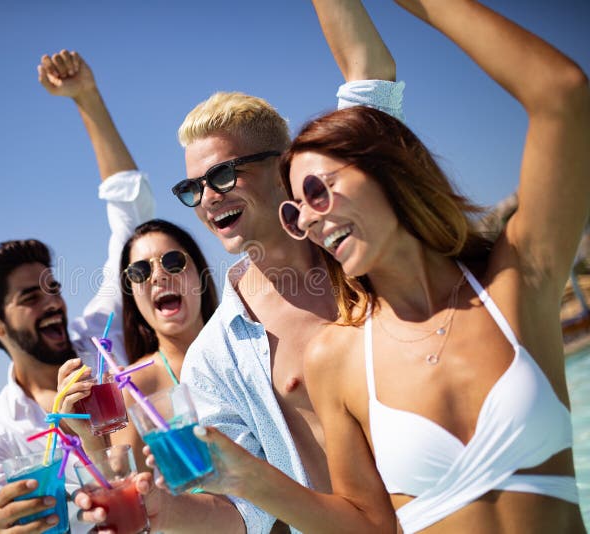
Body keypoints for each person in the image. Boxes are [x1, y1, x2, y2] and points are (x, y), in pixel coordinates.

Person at [191, 0, 589, 532]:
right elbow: (369, 527)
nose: (308, 219)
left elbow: (562, 94)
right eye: (297, 211)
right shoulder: (336, 356)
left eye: (316, 191)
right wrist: (249, 479)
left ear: (383, 170)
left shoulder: (516, 283)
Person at [100, 0, 405, 532]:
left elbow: (369, 76)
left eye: (223, 176)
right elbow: (248, 512)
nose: (207, 199)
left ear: (282, 166)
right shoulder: (214, 357)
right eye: (192, 188)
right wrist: (166, 511)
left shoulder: (362, 231)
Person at [0, 50, 155, 534]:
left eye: (52, 287)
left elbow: (132, 222)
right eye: (29, 297)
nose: (52, 303)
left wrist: (86, 98)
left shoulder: (103, 339)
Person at [108, 218, 218, 471]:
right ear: (132, 295)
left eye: (173, 261)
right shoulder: (134, 387)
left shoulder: (245, 348)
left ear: (200, 273)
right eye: (140, 271)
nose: (158, 276)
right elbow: (130, 487)